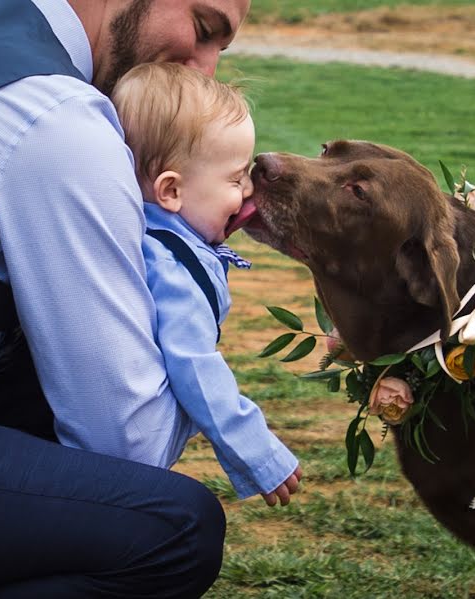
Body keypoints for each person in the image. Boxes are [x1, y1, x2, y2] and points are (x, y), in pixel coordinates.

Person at [0, 0, 274, 596]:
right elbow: (127, 442)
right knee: (174, 527)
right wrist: (189, 283)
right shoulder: (56, 118)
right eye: (204, 29)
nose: (205, 68)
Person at [110, 61, 302, 505]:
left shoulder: (150, 236)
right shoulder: (171, 266)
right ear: (171, 191)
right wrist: (259, 451)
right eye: (236, 180)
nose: (249, 193)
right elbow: (194, 365)